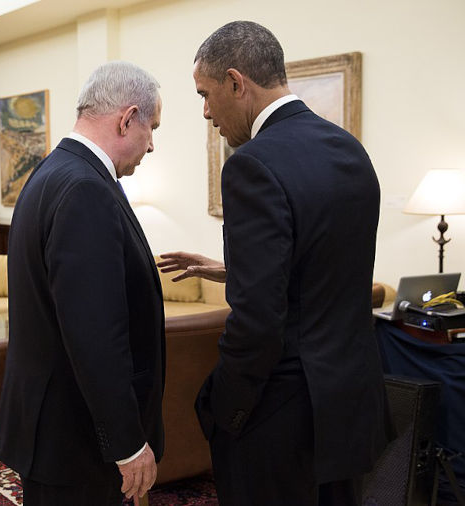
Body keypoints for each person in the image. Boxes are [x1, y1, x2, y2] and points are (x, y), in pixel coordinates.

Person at [158, 21, 393, 505]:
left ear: (236, 82)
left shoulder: (251, 165)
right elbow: (326, 262)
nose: (206, 112)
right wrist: (235, 267)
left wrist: (226, 406)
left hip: (282, 418)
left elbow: (257, 325)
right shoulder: (350, 150)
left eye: (205, 94)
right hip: (350, 405)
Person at [0, 61, 165, 506]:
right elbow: (95, 334)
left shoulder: (52, 172)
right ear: (128, 119)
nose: (152, 146)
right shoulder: (85, 188)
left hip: (54, 428)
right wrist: (126, 443)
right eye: (152, 129)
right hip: (75, 437)